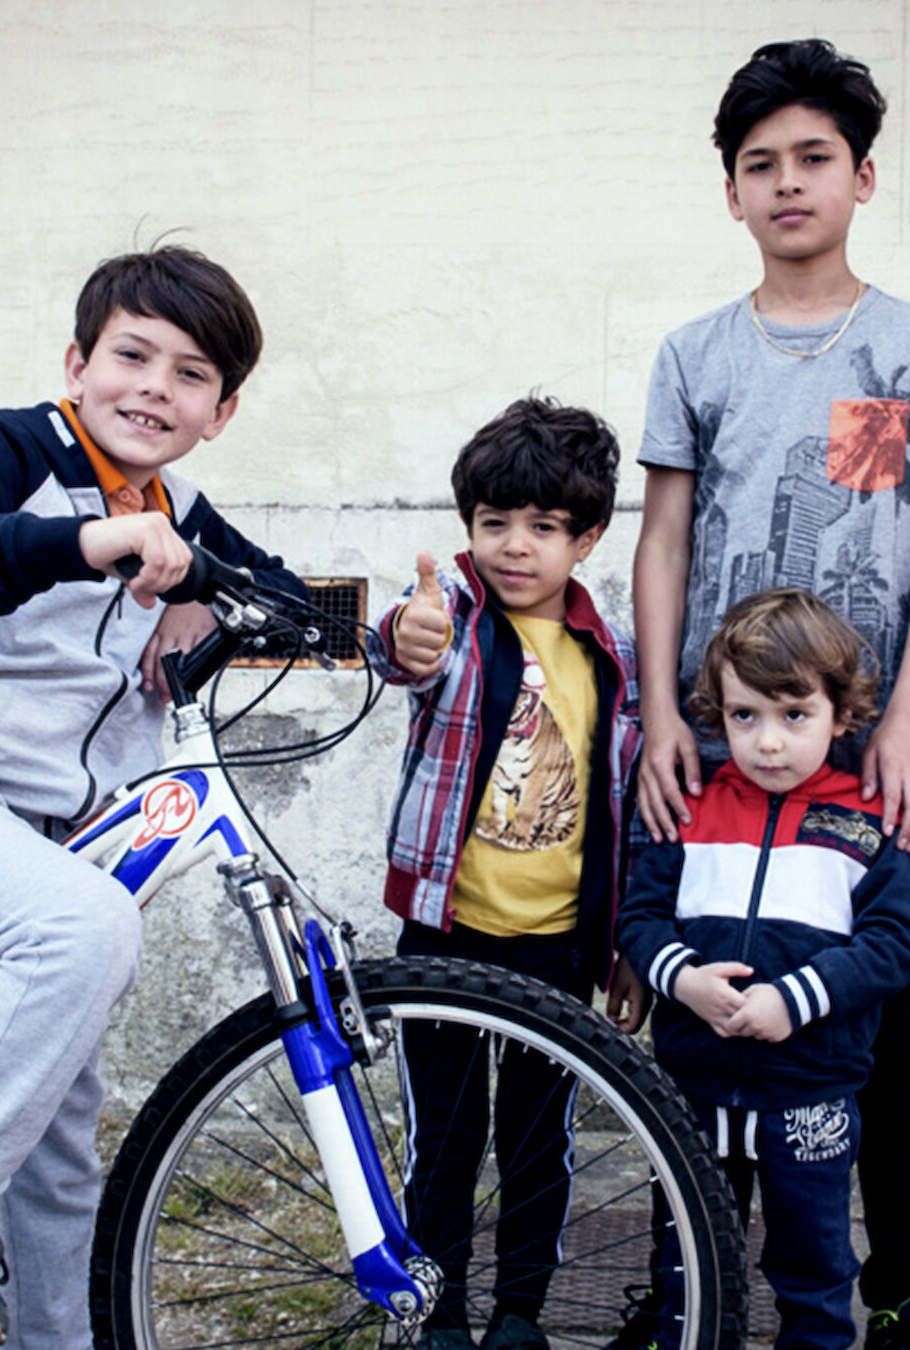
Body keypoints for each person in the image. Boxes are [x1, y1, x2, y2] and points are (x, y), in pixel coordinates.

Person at [0, 245, 304, 1349]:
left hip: (48, 852)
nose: (153, 389)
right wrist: (84, 543)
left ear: (220, 412)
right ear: (77, 364)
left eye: (190, 375)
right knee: (88, 929)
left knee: (58, 1151)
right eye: (131, 356)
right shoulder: (10, 449)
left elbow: (288, 601)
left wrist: (394, 640)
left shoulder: (182, 512)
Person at [627, 37, 910, 1350]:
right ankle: (686, 1285)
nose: (788, 183)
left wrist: (909, 723)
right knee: (703, 1004)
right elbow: (664, 540)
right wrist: (662, 719)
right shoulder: (696, 353)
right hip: (723, 742)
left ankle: (899, 1295)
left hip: (858, 747)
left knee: (877, 1016)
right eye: (760, 163)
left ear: (862, 177)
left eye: (814, 158)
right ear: (731, 190)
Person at [361, 396, 647, 1350]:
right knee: (443, 1143)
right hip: (445, 939)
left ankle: (521, 1312)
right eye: (494, 523)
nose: (515, 546)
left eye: (543, 527)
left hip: (558, 950)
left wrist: (624, 944)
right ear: (469, 528)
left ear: (587, 539)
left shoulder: (614, 658)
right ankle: (435, 1310)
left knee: (537, 1145)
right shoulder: (455, 621)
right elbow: (406, 650)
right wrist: (405, 633)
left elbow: (626, 803)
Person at [616, 588, 910, 1350]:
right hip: (692, 1085)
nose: (769, 743)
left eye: (794, 716)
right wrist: (683, 980)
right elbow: (642, 918)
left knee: (813, 1269)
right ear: (717, 714)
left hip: (810, 1090)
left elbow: (893, 943)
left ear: (841, 715)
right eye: (745, 716)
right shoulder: (690, 811)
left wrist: (795, 1000)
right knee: (688, 1262)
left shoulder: (869, 825)